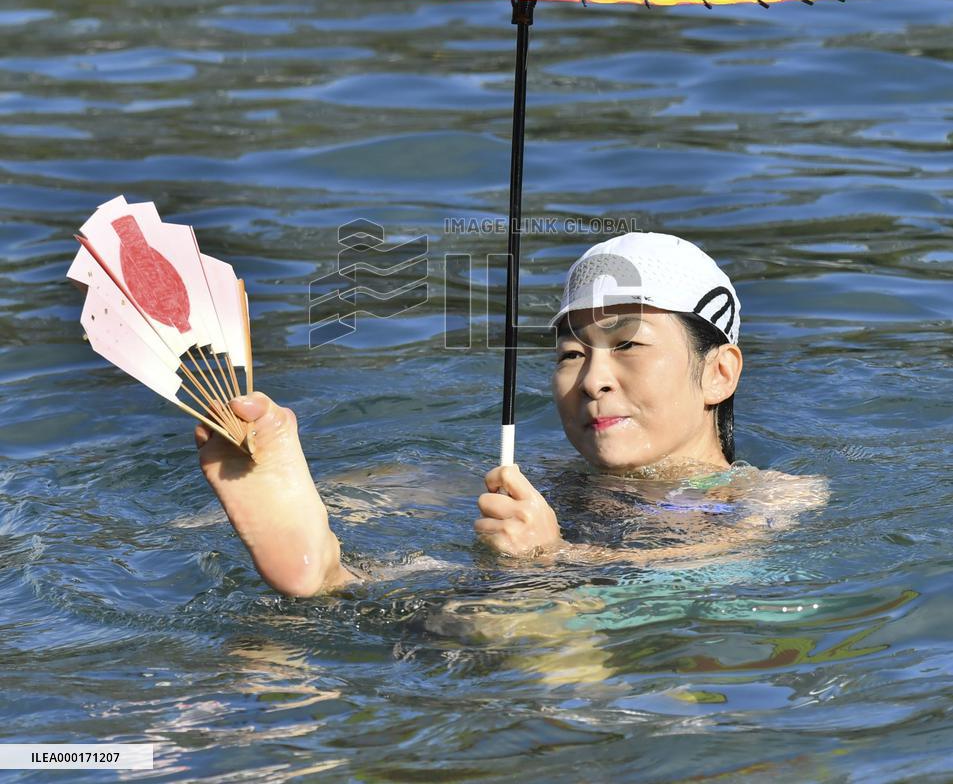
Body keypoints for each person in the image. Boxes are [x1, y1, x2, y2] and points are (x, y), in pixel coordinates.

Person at [195, 232, 826, 597]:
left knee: (536, 621)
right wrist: (285, 485)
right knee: (432, 591)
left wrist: (555, 558)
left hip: (642, 660)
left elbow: (718, 568)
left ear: (718, 371)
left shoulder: (774, 496)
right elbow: (411, 485)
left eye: (628, 345)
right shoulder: (541, 485)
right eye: (572, 354)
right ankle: (325, 568)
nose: (594, 380)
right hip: (498, 634)